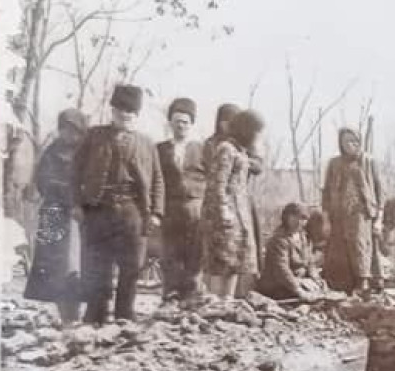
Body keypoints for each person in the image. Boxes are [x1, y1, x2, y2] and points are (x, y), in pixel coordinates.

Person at [73, 84, 163, 324]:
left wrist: (156, 213)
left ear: (137, 115)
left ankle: (125, 313)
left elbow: (157, 180)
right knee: (97, 265)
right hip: (99, 208)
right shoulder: (94, 136)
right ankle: (96, 314)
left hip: (132, 210)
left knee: (131, 266)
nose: (125, 115)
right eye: (121, 110)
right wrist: (76, 204)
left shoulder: (146, 143)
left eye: (131, 112)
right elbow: (74, 172)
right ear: (112, 111)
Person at [23, 108, 88, 324]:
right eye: (65, 130)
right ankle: (63, 316)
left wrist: (76, 197)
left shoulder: (86, 154)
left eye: (74, 131)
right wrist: (61, 191)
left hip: (77, 215)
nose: (69, 135)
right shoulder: (51, 153)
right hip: (53, 212)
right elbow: (43, 181)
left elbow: (89, 183)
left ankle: (75, 315)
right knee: (53, 267)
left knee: (75, 266)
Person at [201, 108, 265, 298]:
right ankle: (215, 302)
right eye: (255, 133)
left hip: (239, 213)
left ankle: (227, 301)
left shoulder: (241, 151)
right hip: (226, 214)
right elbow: (218, 184)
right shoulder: (225, 149)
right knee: (222, 261)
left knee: (235, 261)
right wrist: (223, 212)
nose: (257, 138)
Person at [156, 96, 207, 302]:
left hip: (196, 207)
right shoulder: (160, 149)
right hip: (170, 208)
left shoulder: (202, 150)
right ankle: (170, 294)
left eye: (185, 122)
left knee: (195, 253)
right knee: (170, 253)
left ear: (192, 124)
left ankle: (192, 295)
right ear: (170, 123)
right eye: (177, 121)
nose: (181, 126)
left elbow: (211, 178)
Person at [322, 128, 383, 296]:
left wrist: (379, 219)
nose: (350, 145)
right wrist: (326, 219)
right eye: (346, 141)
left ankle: (363, 283)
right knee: (339, 248)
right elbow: (326, 192)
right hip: (338, 213)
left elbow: (379, 191)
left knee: (360, 245)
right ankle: (342, 287)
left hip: (362, 212)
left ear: (359, 141)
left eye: (354, 141)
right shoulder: (334, 164)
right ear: (341, 144)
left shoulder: (369, 162)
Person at [257, 203, 323, 301]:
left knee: (321, 289)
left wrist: (316, 279)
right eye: (294, 217)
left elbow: (310, 263)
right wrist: (299, 290)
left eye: (303, 218)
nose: (299, 222)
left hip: (299, 280)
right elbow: (281, 270)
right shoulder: (279, 239)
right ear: (286, 217)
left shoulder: (304, 237)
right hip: (279, 285)